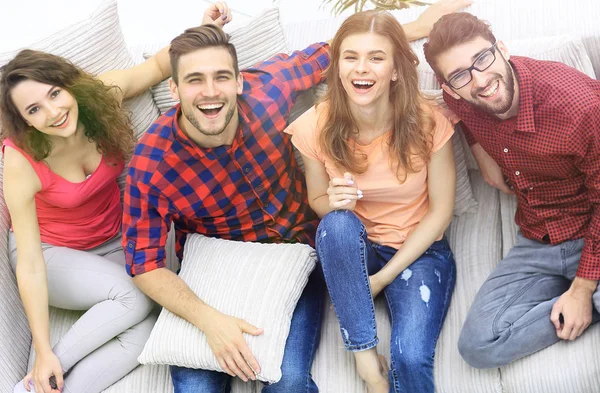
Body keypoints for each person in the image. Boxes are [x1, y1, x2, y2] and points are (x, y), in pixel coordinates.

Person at [121, 2, 470, 392]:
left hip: (292, 260)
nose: (210, 92)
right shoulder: (151, 162)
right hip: (215, 274)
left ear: (239, 80)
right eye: (194, 80)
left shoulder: (269, 89)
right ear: (173, 88)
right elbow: (144, 265)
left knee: (289, 384)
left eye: (221, 77)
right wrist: (211, 321)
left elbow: (335, 52)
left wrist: (417, 25)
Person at [0, 4, 232, 393]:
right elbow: (31, 265)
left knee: (149, 326)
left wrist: (204, 29)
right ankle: (42, 375)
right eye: (35, 109)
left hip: (116, 241)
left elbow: (161, 65)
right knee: (132, 297)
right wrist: (43, 351)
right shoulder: (21, 159)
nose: (54, 112)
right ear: (23, 121)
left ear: (70, 86)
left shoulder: (101, 101)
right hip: (51, 254)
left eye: (55, 93)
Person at [285, 9, 457, 393]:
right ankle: (370, 372)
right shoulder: (315, 124)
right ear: (338, 67)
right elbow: (317, 201)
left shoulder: (428, 122)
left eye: (376, 57)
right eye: (351, 57)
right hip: (352, 246)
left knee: (411, 358)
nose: (362, 69)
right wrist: (334, 201)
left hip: (418, 249)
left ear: (395, 69)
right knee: (336, 223)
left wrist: (381, 279)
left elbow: (441, 211)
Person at [423, 12, 600, 368]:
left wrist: (582, 290)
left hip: (592, 233)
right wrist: (484, 157)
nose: (480, 79)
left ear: (501, 48)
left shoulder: (581, 108)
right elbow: (463, 113)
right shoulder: (461, 97)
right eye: (460, 75)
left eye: (482, 59)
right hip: (538, 238)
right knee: (477, 346)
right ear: (449, 86)